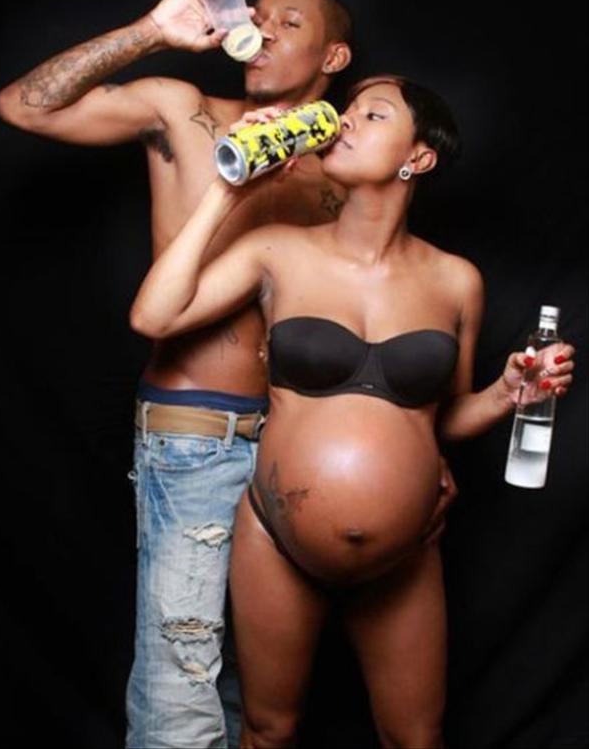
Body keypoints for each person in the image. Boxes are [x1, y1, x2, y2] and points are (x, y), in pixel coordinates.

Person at [129, 74, 576, 748]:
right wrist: (229, 188)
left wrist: (507, 393)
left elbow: (440, 421)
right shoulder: (278, 248)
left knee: (415, 738)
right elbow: (153, 315)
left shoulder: (456, 280)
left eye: (374, 114)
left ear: (418, 156)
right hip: (277, 537)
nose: (346, 121)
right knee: (268, 729)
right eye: (348, 109)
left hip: (405, 554)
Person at [0, 0, 356, 749]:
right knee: (180, 681)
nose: (263, 30)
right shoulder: (185, 111)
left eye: (290, 22)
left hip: (297, 447)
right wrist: (152, 31)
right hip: (197, 432)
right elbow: (22, 106)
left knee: (262, 692)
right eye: (259, 14)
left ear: (334, 57)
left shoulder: (342, 173)